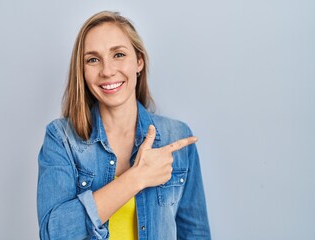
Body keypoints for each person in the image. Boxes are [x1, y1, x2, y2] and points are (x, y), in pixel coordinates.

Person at [37, 11, 211, 240]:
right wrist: (135, 179)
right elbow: (53, 234)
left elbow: (195, 233)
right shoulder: (62, 138)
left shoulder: (176, 136)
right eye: (93, 59)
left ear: (139, 61)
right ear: (82, 71)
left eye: (118, 54)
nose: (107, 71)